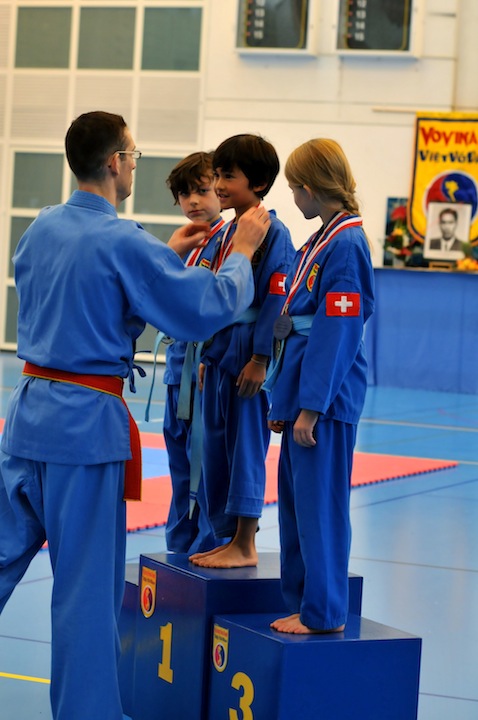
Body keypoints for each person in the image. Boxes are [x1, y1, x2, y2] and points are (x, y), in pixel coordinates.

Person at [0, 110, 270, 720]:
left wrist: (158, 263)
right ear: (116, 162)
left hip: (27, 418)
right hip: (83, 431)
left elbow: (79, 306)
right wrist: (241, 254)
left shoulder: (41, 228)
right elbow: (202, 310)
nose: (134, 166)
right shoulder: (124, 241)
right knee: (86, 593)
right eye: (133, 155)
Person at [265, 138, 374, 634]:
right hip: (303, 395)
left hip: (326, 402)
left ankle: (325, 612)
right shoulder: (320, 240)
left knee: (320, 509)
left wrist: (311, 406)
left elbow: (336, 332)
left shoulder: (347, 245)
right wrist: (285, 402)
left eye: (293, 189)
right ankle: (304, 601)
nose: (293, 198)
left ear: (310, 188)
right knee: (297, 508)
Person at [189, 133, 295, 569]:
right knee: (215, 448)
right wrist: (205, 353)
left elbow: (276, 299)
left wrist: (260, 359)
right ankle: (227, 536)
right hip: (218, 353)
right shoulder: (227, 231)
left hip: (246, 356)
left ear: (259, 183)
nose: (218, 184)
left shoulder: (273, 233)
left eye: (228, 176)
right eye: (217, 174)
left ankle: (246, 542)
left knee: (245, 447)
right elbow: (215, 290)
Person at [162, 151, 225, 553]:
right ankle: (179, 544)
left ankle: (205, 545)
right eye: (185, 194)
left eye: (202, 190)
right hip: (177, 369)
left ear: (221, 188)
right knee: (179, 461)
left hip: (204, 371)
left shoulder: (231, 241)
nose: (194, 201)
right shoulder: (188, 243)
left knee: (203, 462)